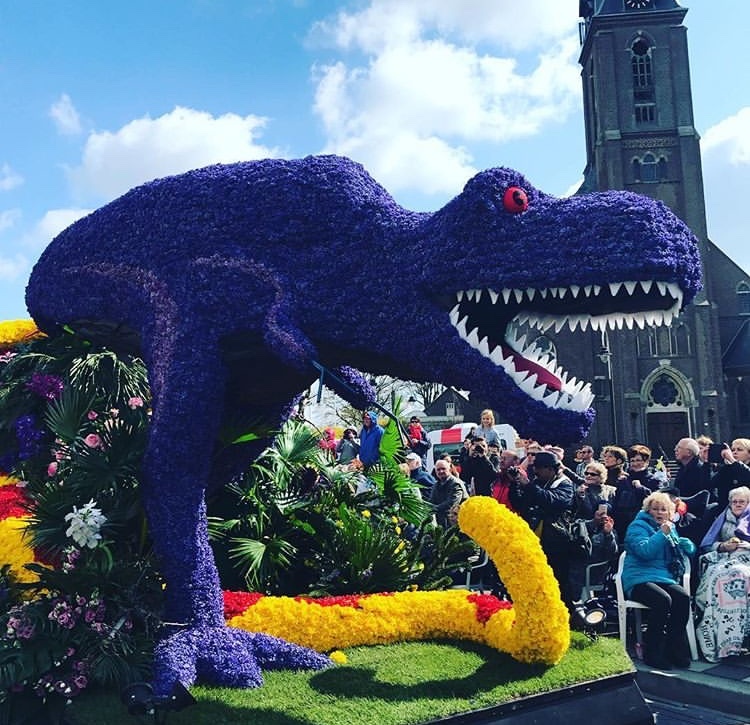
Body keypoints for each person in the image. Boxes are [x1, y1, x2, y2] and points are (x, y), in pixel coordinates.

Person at [622, 491, 696, 669]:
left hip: (664, 577)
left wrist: (687, 545)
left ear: (670, 513)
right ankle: (653, 652)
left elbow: (683, 551)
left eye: (664, 510)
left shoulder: (670, 528)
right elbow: (645, 552)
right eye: (655, 509)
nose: (659, 513)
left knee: (683, 598)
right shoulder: (637, 526)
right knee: (662, 600)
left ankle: (674, 649)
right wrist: (661, 534)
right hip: (638, 578)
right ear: (648, 510)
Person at [509, 450, 576, 606]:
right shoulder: (538, 483)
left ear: (551, 469)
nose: (535, 472)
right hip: (537, 539)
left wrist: (528, 485)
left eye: (538, 468)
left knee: (558, 580)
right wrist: (515, 484)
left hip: (557, 542)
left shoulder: (565, 484)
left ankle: (566, 614)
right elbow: (520, 504)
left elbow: (551, 501)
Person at [695, 486, 750, 662]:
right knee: (717, 577)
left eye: (742, 501)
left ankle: (739, 636)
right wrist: (723, 546)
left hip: (746, 560)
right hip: (723, 558)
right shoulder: (722, 518)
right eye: (734, 502)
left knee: (738, 575)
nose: (737, 504)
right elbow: (707, 543)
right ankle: (718, 638)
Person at [568, 506, 619, 604]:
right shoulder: (584, 525)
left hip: (594, 570)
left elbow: (612, 553)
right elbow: (576, 534)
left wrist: (608, 534)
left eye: (606, 514)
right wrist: (594, 522)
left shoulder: (612, 532)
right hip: (577, 564)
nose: (603, 517)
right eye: (600, 514)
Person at [611, 445, 657, 538]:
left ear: (647, 462)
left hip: (645, 524)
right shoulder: (623, 479)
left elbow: (655, 500)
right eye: (632, 460)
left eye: (639, 460)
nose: (635, 463)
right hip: (623, 524)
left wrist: (640, 488)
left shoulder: (653, 480)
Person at [711, 438, 750, 509]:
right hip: (726, 510)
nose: (735, 452)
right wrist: (707, 464)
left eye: (739, 450)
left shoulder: (742, 468)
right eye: (733, 450)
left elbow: (747, 475)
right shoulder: (728, 468)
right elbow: (710, 483)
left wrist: (732, 460)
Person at [429, 459, 469, 528]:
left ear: (450, 469)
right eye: (438, 470)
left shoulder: (456, 484)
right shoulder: (436, 485)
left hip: (459, 523)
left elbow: (451, 504)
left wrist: (434, 509)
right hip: (443, 522)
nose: (441, 471)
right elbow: (431, 501)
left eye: (443, 469)